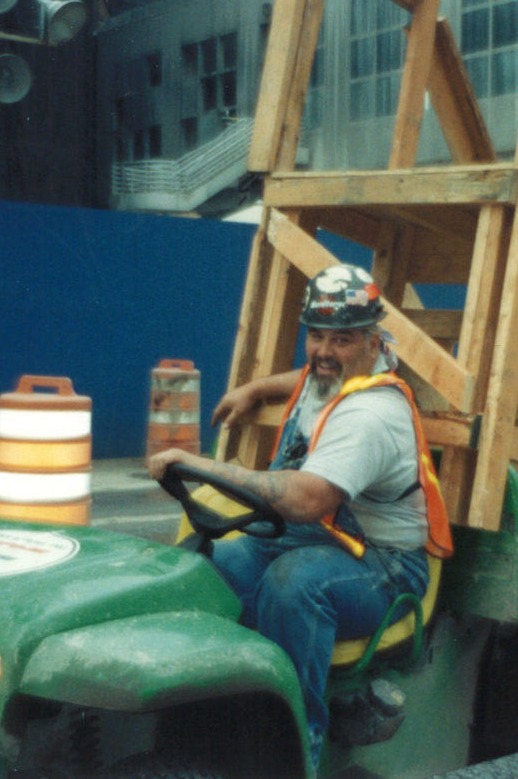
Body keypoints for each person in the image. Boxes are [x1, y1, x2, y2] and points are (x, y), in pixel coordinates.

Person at [145, 263, 451, 767]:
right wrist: (257, 388)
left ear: (373, 343)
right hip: (316, 539)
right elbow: (311, 375)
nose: (325, 353)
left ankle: (290, 751)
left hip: (385, 563)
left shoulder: (371, 415)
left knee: (293, 585)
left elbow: (307, 499)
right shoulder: (335, 371)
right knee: (201, 569)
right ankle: (205, 725)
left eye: (343, 340)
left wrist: (200, 466)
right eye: (317, 336)